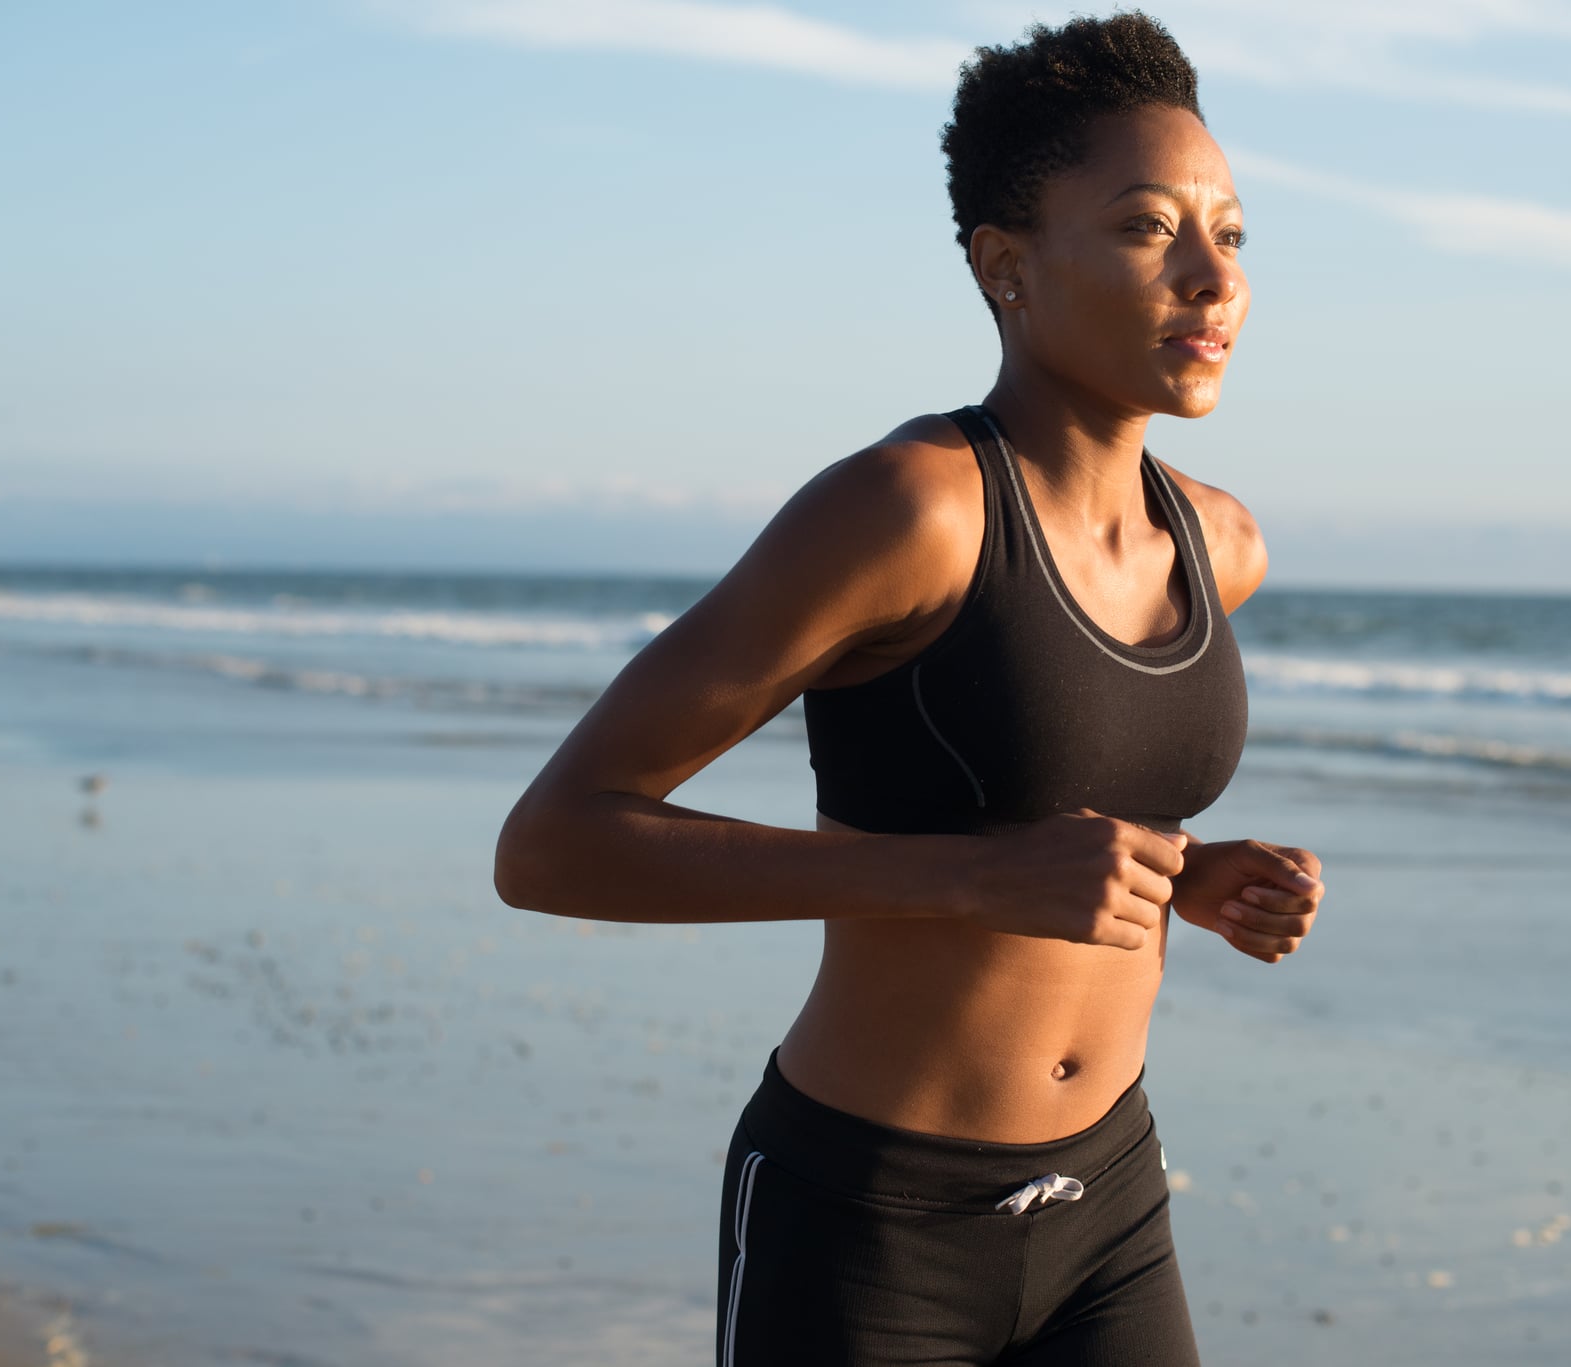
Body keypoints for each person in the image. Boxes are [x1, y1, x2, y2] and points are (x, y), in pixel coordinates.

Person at [494, 13, 1326, 1365]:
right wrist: (963, 879)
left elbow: (1063, 802)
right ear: (1008, 267)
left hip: (1106, 1198)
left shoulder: (1220, 546)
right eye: (1144, 229)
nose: (1208, 278)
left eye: (1231, 236)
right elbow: (554, 844)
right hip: (867, 1224)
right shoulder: (911, 512)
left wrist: (1188, 875)